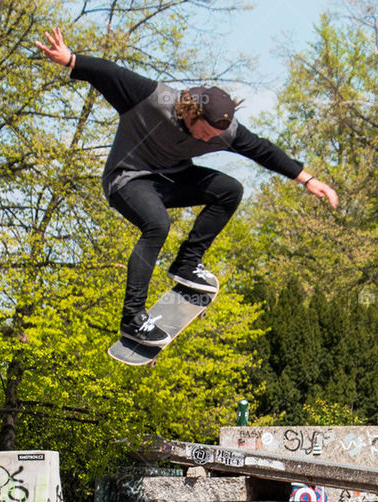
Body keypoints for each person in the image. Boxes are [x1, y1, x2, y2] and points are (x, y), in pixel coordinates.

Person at [34, 28, 339, 347]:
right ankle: (132, 319)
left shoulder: (226, 132)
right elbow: (110, 73)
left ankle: (186, 264)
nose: (208, 140)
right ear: (191, 111)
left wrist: (308, 179)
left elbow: (262, 149)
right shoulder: (152, 99)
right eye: (203, 132)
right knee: (157, 225)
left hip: (170, 181)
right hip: (126, 180)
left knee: (230, 190)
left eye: (213, 136)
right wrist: (70, 59)